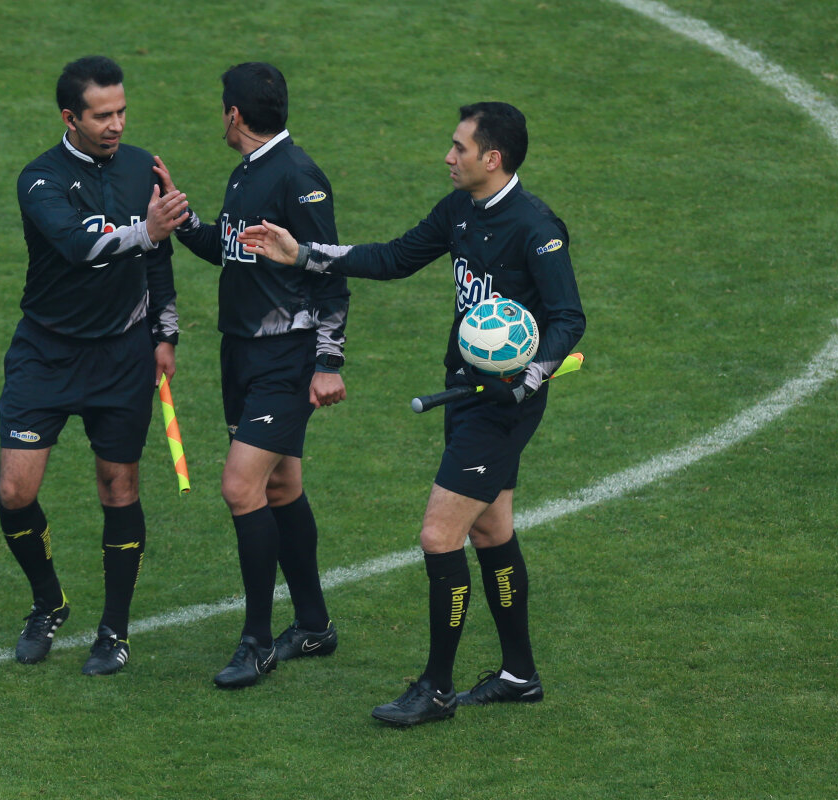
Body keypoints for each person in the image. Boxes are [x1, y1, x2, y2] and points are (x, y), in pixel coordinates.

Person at [239, 102, 584, 723]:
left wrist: (529, 376)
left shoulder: (537, 228)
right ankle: (519, 674)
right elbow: (394, 257)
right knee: (490, 530)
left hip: (502, 407)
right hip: (464, 391)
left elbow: (567, 317)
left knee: (438, 536)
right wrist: (302, 253)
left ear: (492, 158)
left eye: (459, 148)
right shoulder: (460, 210)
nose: (448, 157)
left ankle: (436, 689)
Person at [153, 62, 350, 688]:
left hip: (285, 356)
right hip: (240, 355)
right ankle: (314, 625)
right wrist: (183, 219)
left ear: (233, 114)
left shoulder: (297, 176)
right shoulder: (248, 172)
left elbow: (329, 269)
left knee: (242, 488)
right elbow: (231, 250)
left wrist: (328, 361)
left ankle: (257, 642)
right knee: (282, 486)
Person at [0, 55, 190, 677]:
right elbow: (79, 246)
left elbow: (158, 259)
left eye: (122, 111)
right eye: (102, 115)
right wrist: (147, 231)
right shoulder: (40, 180)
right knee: (15, 491)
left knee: (119, 488)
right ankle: (48, 602)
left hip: (121, 355)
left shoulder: (141, 167)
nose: (116, 124)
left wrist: (165, 334)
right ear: (70, 118)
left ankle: (114, 630)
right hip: (46, 353)